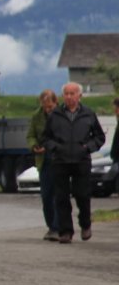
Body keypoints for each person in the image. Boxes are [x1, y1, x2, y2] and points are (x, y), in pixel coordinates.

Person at [40, 81, 105, 244]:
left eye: (72, 93)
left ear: (79, 95)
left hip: (81, 161)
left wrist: (87, 147)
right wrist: (55, 147)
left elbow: (99, 137)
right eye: (66, 94)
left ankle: (85, 224)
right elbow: (45, 138)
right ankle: (65, 231)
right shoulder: (55, 115)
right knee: (61, 197)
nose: (69, 97)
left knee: (82, 195)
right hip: (60, 161)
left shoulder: (88, 114)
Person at [27, 89, 58, 241]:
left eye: (50, 106)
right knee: (46, 196)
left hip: (59, 160)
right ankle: (51, 226)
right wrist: (34, 146)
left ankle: (57, 227)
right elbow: (30, 135)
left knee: (59, 195)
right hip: (44, 161)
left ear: (55, 103)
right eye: (45, 107)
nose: (47, 109)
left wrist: (50, 146)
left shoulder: (62, 116)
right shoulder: (36, 116)